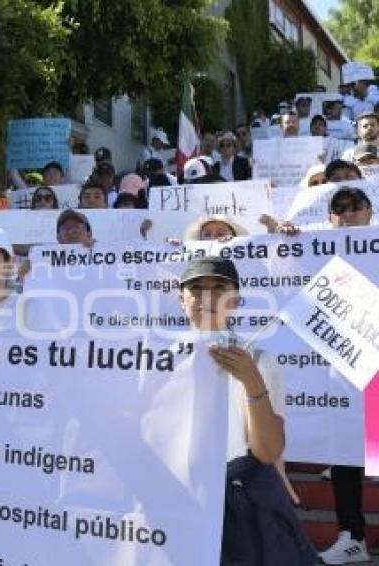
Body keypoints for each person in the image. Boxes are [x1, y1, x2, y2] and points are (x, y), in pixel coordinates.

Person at [177, 258, 314, 565]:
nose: (207, 297)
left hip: (237, 510)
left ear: (236, 300)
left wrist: (250, 379)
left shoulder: (259, 361)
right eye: (196, 288)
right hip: (177, 500)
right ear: (180, 299)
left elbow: (267, 452)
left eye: (219, 288)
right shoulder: (158, 361)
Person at [317, 187, 374, 565]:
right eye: (340, 210)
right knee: (346, 456)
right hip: (345, 371)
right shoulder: (314, 251)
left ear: (369, 211)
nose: (348, 215)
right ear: (330, 218)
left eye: (355, 208)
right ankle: (352, 536)